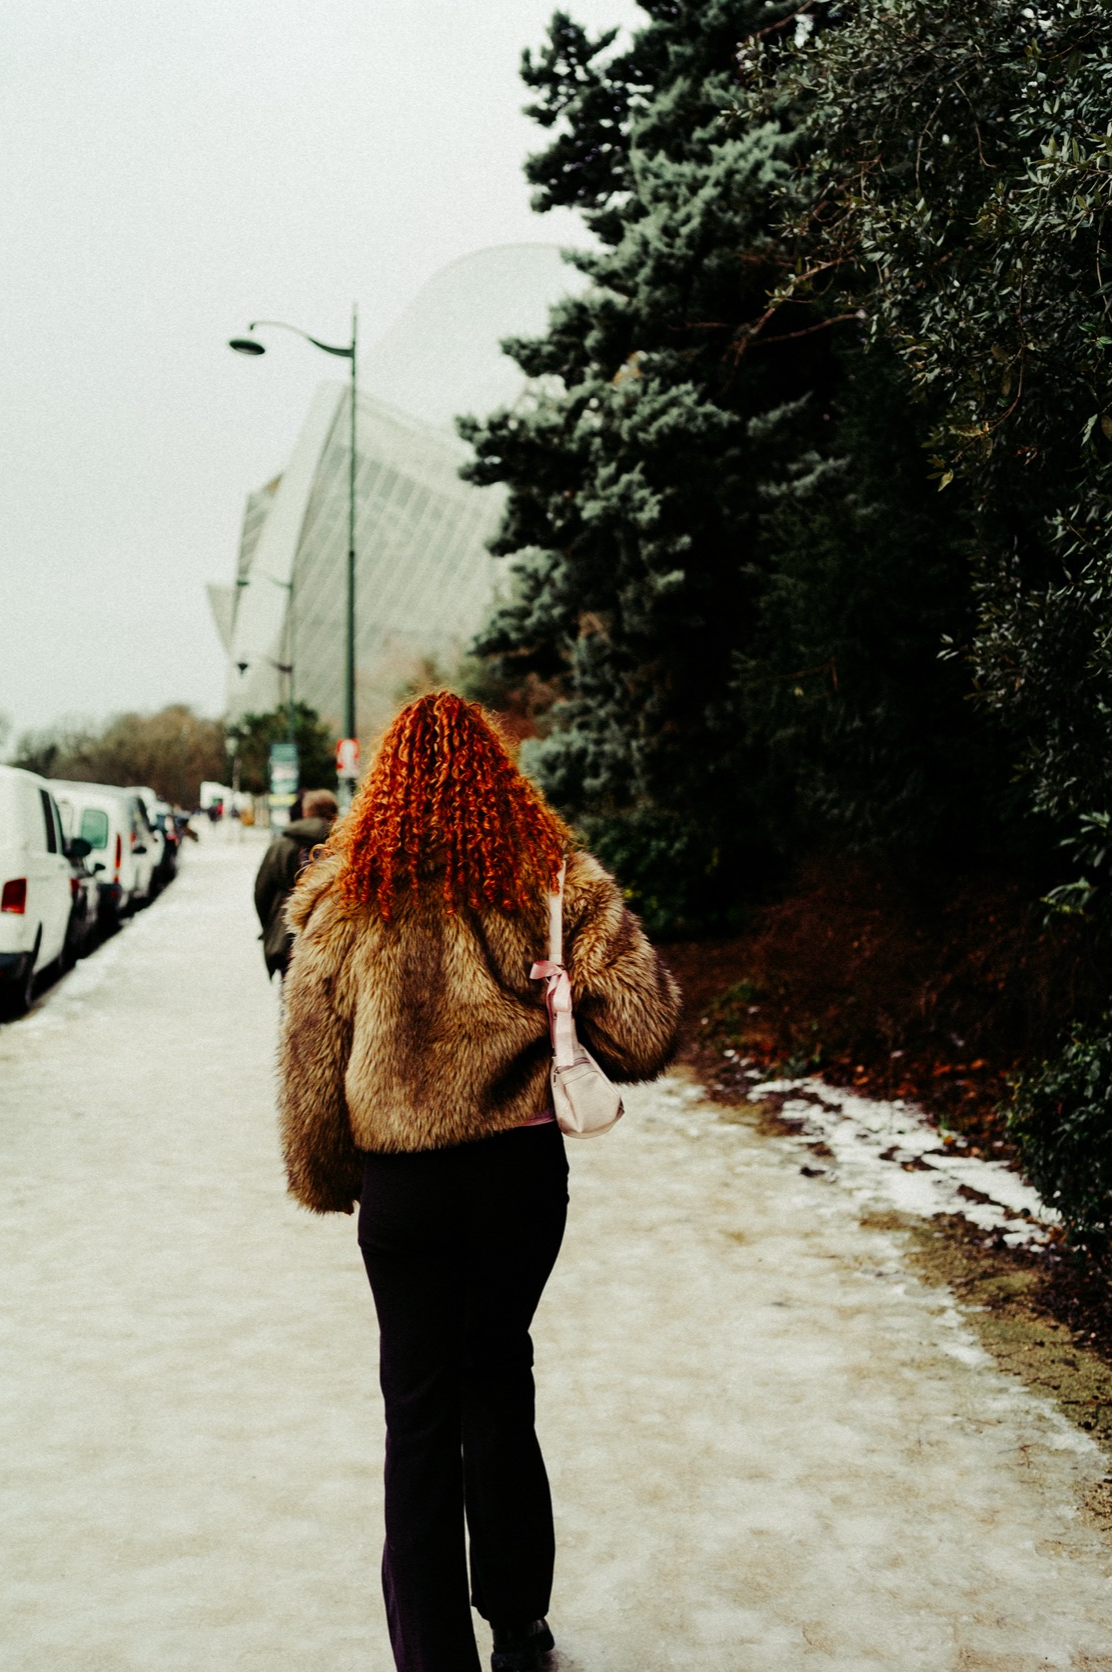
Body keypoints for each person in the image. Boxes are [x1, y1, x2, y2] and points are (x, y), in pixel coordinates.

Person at [278, 692, 681, 1672]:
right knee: (497, 1378)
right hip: (515, 1178)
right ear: (499, 774)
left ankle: (431, 1657)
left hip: (404, 1188)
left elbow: (309, 1062)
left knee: (416, 1414)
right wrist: (565, 993)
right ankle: (517, 1624)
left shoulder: (345, 898)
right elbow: (646, 1027)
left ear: (384, 782)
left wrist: (328, 1177)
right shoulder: (549, 880)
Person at [253, 787, 339, 978]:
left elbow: (262, 892)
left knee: (291, 989)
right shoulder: (343, 844)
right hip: (333, 935)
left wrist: (269, 928)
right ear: (335, 813)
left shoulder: (281, 845)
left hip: (287, 934)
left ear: (306, 812)